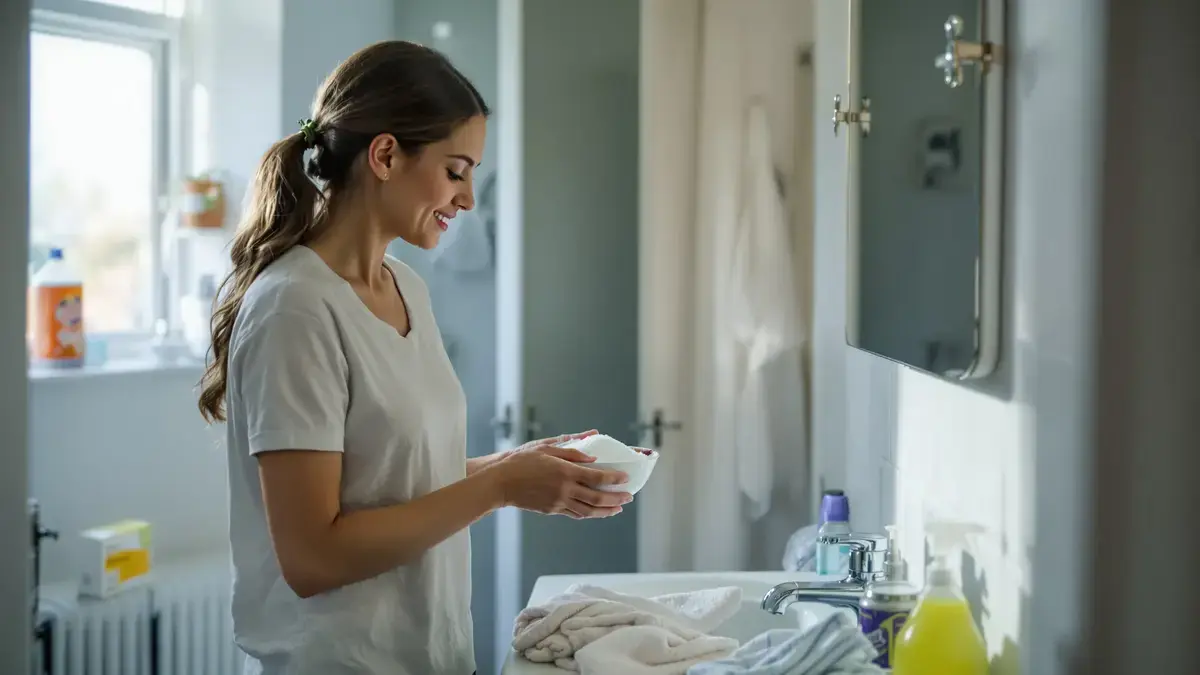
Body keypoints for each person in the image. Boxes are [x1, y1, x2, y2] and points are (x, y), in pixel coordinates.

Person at [196, 41, 633, 675]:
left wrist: (518, 467)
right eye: (456, 171)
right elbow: (313, 556)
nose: (469, 200)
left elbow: (393, 478)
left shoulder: (406, 288)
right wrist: (499, 486)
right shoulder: (294, 307)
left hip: (433, 654)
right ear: (384, 154)